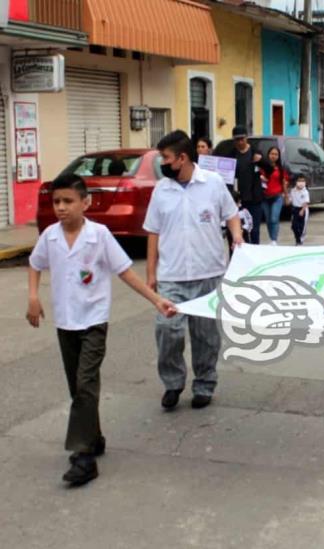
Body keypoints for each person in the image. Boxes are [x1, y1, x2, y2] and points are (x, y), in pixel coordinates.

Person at [27, 173, 177, 486]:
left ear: (86, 202)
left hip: (93, 322)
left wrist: (156, 300)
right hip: (65, 323)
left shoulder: (99, 235)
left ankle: (83, 458)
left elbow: (125, 272)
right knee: (78, 389)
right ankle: (93, 438)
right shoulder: (50, 236)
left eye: (68, 201)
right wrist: (32, 296)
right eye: (56, 202)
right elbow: (35, 263)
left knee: (85, 385)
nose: (61, 208)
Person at [144, 130, 243, 411]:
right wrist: (151, 274)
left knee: (206, 336)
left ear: (182, 158)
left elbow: (231, 214)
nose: (162, 163)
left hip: (208, 273)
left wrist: (236, 236)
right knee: (168, 331)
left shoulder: (212, 183)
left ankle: (204, 384)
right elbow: (152, 232)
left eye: (165, 157)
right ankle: (173, 383)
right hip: (171, 276)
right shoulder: (161, 189)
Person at [231, 126, 263, 244]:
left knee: (254, 231)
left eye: (242, 139)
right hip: (239, 199)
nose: (240, 142)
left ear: (246, 138)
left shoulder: (256, 152)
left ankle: (256, 255)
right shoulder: (231, 154)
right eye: (237, 140)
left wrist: (261, 160)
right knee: (241, 230)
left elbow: (269, 169)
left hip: (255, 198)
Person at [259, 146, 289, 245]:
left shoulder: (280, 169)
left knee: (274, 218)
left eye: (276, 154)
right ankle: (272, 239)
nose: (274, 156)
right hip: (265, 197)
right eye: (272, 154)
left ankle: (274, 240)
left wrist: (286, 196)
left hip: (277, 197)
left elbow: (284, 183)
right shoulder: (262, 167)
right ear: (268, 155)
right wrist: (261, 178)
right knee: (268, 220)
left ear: (278, 156)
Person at [290, 175, 310, 245]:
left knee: (302, 227)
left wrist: (302, 210)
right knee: (294, 226)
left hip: (303, 209)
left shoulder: (305, 192)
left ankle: (300, 240)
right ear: (296, 182)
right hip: (295, 209)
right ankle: (298, 239)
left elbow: (306, 202)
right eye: (299, 181)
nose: (301, 183)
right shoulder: (293, 190)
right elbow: (290, 200)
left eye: (303, 181)